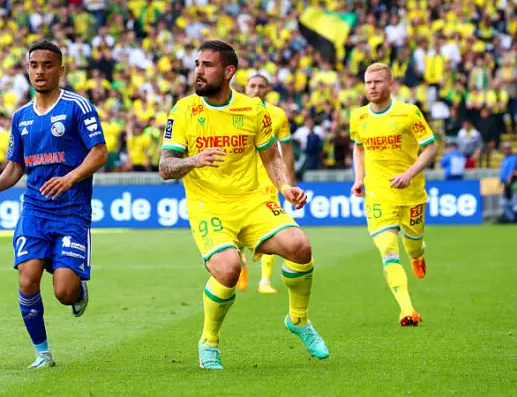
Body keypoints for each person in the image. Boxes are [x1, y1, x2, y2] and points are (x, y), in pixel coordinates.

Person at [159, 40, 329, 370]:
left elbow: (271, 157)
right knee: (228, 269)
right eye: (197, 64)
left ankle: (298, 319)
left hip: (252, 201)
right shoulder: (183, 110)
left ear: (229, 71)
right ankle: (209, 341)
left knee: (300, 246)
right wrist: (194, 159)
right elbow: (166, 167)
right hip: (208, 205)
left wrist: (286, 187)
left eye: (207, 65)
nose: (199, 71)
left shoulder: (253, 110)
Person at [0, 40, 108, 369]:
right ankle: (42, 353)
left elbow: (99, 152)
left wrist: (70, 178)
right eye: (34, 65)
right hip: (35, 210)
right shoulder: (21, 117)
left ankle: (77, 293)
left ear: (61, 70)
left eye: (48, 65)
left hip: (72, 212)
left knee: (63, 291)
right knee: (27, 278)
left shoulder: (78, 107)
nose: (40, 71)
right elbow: (16, 165)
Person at [349, 63, 438, 327]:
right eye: (368, 82)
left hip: (411, 192)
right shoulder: (359, 117)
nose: (372, 87)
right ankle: (407, 309)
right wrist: (358, 178)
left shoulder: (409, 113)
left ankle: (417, 255)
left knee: (413, 244)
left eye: (377, 82)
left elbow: (431, 148)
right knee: (388, 251)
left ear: (390, 84)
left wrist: (409, 174)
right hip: (378, 193)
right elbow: (359, 148)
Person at [238, 71, 296, 294]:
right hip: (242, 179)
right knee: (239, 226)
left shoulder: (278, 115)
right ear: (246, 88)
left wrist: (289, 181)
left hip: (269, 179)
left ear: (267, 89)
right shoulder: (237, 112)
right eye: (252, 85)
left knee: (270, 227)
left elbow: (287, 149)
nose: (255, 89)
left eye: (261, 86)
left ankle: (265, 281)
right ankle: (240, 259)